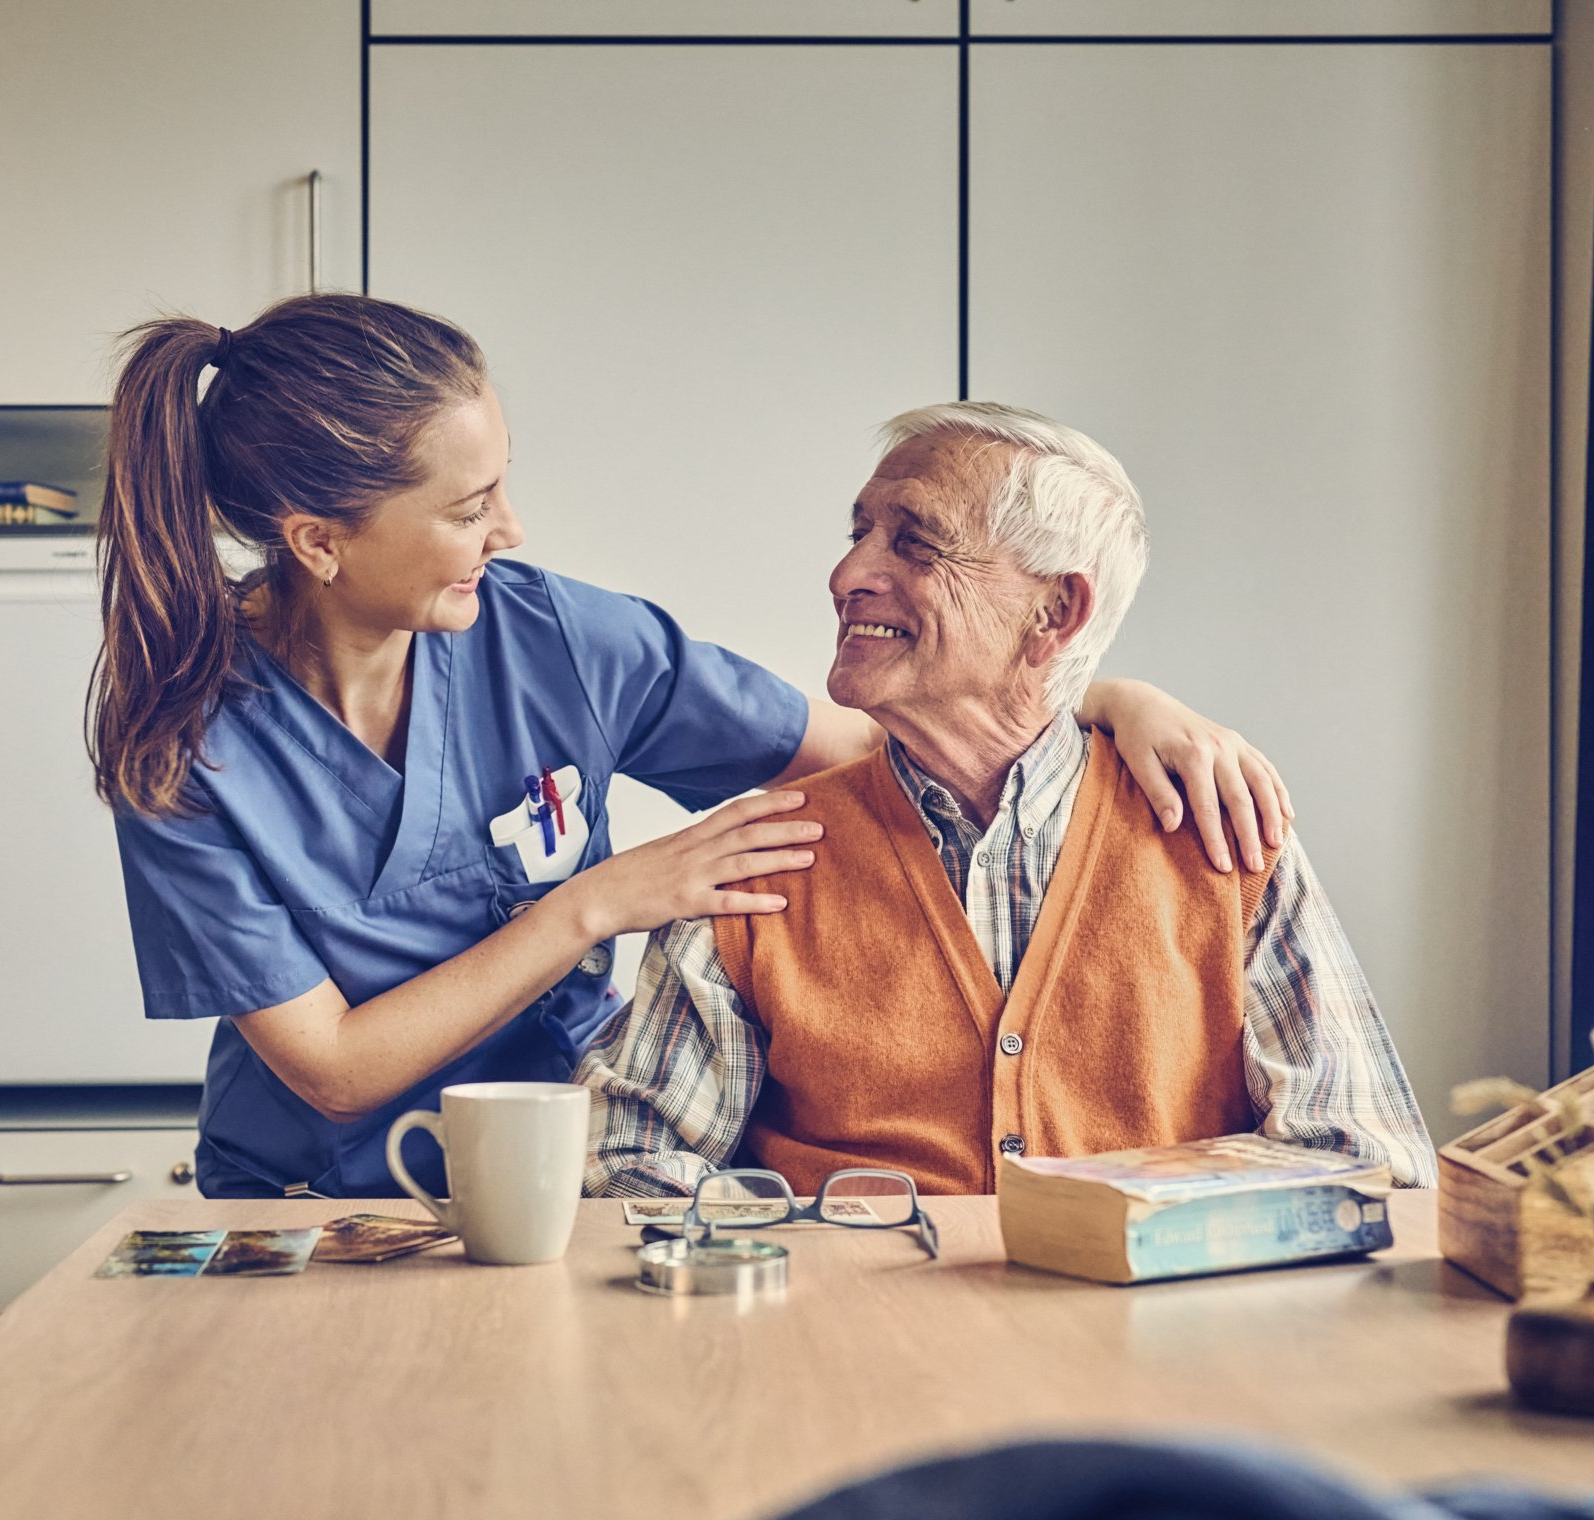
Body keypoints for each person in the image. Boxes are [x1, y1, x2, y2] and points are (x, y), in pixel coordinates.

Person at [96, 295, 1296, 1198]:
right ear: (317, 541)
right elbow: (336, 1068)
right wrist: (596, 902)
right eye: (467, 509)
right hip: (309, 1201)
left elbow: (883, 739)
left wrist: (1102, 697)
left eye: (501, 484)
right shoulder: (180, 744)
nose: (508, 529)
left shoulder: (553, 634)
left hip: (538, 1180)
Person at [580, 402, 1436, 1196]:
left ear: (1055, 609)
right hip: (844, 1345)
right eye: (858, 533)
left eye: (915, 542)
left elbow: (1362, 1164)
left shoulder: (1220, 836)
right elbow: (624, 1168)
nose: (847, 574)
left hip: (1151, 1344)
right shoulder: (758, 864)